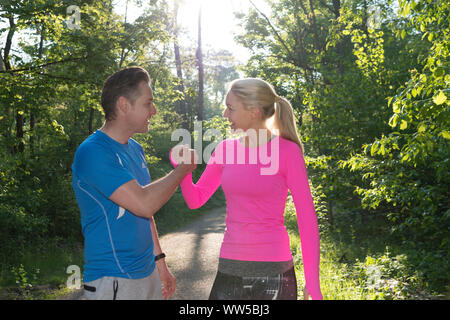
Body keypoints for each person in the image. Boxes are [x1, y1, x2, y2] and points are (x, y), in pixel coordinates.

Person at [170, 78, 323, 300]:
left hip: (275, 273)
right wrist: (183, 169)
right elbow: (197, 199)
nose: (225, 114)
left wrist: (313, 284)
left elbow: (306, 219)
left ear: (253, 111)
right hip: (230, 267)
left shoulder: (288, 152)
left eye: (230, 108)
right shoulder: (225, 149)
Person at [71, 67, 196, 300]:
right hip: (111, 279)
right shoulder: (93, 152)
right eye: (148, 103)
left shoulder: (135, 149)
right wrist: (182, 170)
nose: (154, 110)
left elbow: (146, 215)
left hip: (146, 271)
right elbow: (144, 203)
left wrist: (160, 262)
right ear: (124, 105)